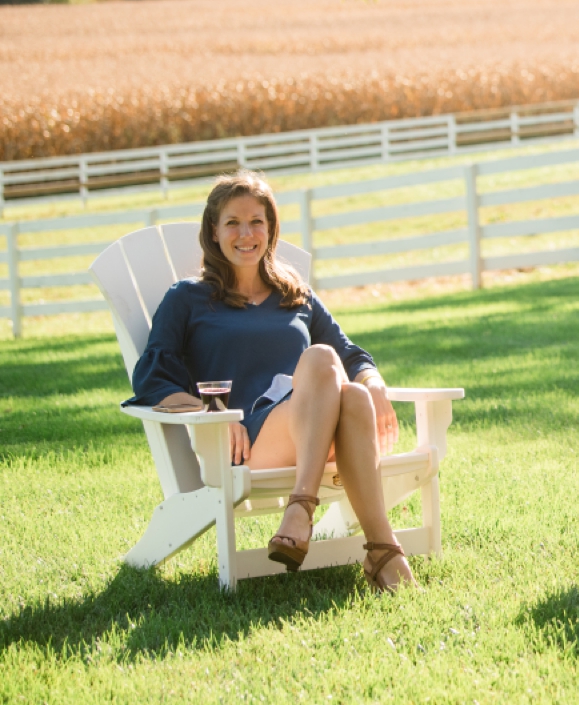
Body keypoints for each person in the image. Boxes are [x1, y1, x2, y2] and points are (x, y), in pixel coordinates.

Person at [124, 170, 415, 592]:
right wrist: (215, 416)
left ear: (271, 228)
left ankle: (371, 545)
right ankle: (323, 520)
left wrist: (375, 384)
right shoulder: (187, 298)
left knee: (352, 393)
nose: (246, 233)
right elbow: (153, 376)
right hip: (249, 443)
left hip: (314, 433)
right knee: (320, 360)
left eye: (256, 221)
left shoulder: (295, 295)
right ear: (214, 230)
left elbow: (351, 354)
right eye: (233, 222)